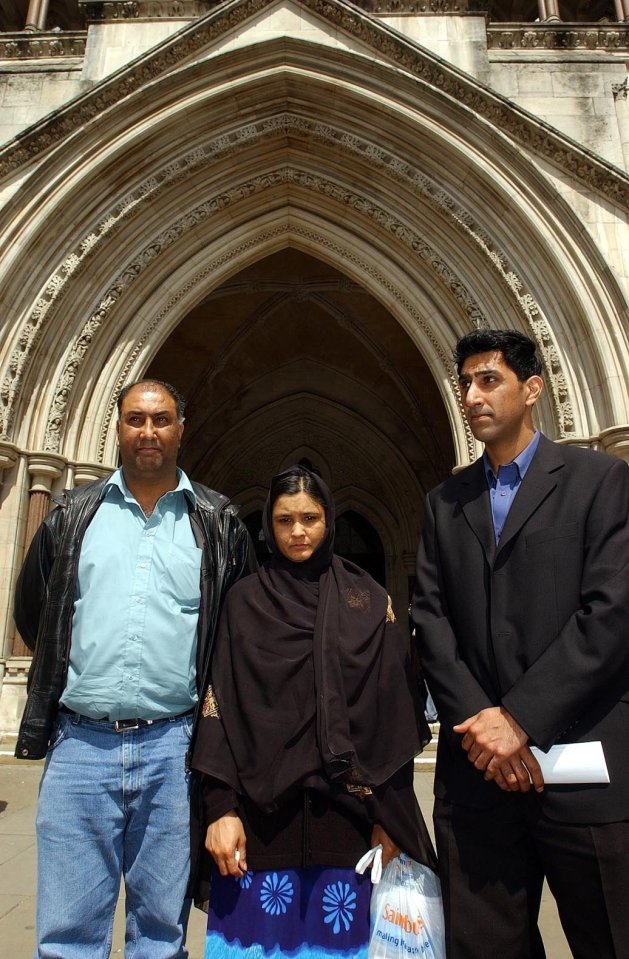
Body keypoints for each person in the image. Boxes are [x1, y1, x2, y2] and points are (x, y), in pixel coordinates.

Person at [14, 379, 250, 959]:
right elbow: (33, 609)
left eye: (162, 419)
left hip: (175, 750)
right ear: (116, 428)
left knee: (162, 933)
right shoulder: (71, 513)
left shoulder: (218, 523)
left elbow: (238, 636)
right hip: (79, 747)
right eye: (136, 420)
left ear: (181, 428)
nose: (149, 432)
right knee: (66, 932)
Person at [412, 329, 629, 959]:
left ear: (531, 389)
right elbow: (431, 620)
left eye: (489, 380)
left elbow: (611, 613)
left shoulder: (601, 482)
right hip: (477, 775)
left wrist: (522, 720)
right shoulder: (442, 504)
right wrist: (485, 725)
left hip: (583, 763)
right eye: (466, 384)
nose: (472, 396)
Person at [190, 464, 436, 958]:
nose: (298, 531)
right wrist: (220, 809)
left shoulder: (368, 600)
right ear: (268, 525)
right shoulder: (244, 603)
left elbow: (392, 718)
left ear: (329, 521)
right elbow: (219, 708)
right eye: (284, 520)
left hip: (350, 828)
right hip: (257, 831)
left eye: (310, 518)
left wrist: (389, 817)